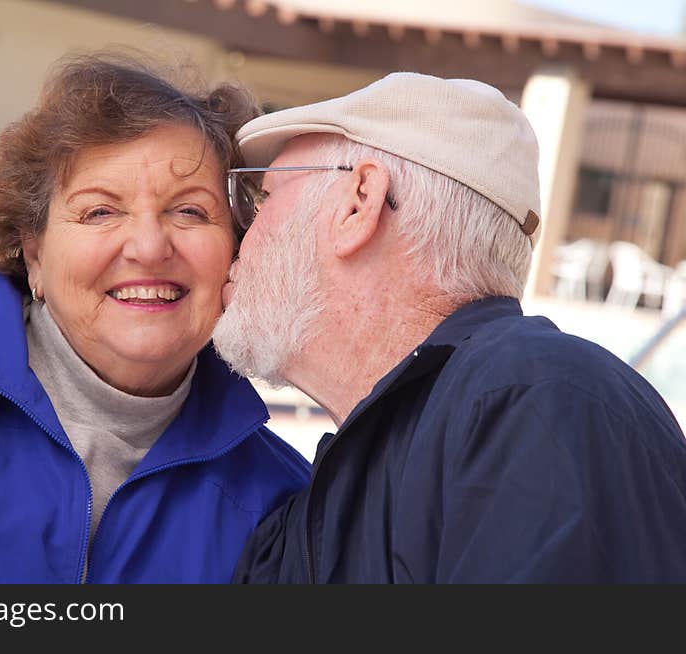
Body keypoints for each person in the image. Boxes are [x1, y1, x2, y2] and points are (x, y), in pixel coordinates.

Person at [0, 54, 309, 583]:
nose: (148, 247)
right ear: (35, 254)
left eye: (189, 211)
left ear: (236, 247)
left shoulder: (281, 505)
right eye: (100, 211)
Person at [213, 72, 686, 583]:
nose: (241, 234)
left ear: (359, 203)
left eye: (261, 199)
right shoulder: (328, 495)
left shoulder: (533, 400)